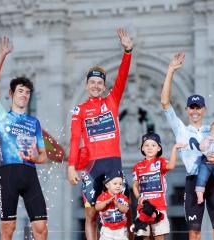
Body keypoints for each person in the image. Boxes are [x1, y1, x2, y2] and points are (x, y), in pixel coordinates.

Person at [67, 28, 133, 240]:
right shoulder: (80, 110)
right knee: (91, 213)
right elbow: (75, 138)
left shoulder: (111, 102)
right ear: (87, 86)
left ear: (104, 87)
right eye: (92, 83)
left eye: (100, 83)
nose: (96, 86)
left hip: (113, 163)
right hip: (92, 166)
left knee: (124, 208)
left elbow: (122, 77)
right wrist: (71, 166)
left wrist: (127, 52)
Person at [160, 53, 214, 240]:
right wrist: (170, 71)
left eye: (198, 107)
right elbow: (165, 103)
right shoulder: (181, 130)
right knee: (194, 232)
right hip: (193, 181)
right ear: (186, 110)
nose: (194, 111)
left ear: (204, 110)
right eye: (191, 107)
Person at [0, 37, 48, 240]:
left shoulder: (34, 123)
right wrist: (1, 56)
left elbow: (44, 156)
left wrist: (35, 157)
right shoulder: (1, 116)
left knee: (41, 228)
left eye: (27, 92)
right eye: (20, 91)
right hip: (8, 176)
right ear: (11, 93)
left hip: (30, 176)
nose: (24, 95)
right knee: (8, 228)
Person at [132, 132, 185, 240]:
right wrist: (139, 197)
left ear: (159, 148)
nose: (150, 148)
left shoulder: (160, 162)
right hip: (143, 208)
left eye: (153, 145)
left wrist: (174, 149)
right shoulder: (138, 166)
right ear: (142, 148)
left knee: (159, 236)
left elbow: (171, 165)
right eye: (146, 145)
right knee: (143, 236)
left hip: (159, 207)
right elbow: (135, 185)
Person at [95, 172, 130, 240]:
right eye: (115, 184)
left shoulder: (123, 197)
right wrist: (106, 202)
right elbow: (97, 207)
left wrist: (118, 204)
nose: (118, 186)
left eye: (120, 184)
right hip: (107, 229)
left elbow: (126, 210)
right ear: (107, 185)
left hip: (121, 230)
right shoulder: (102, 197)